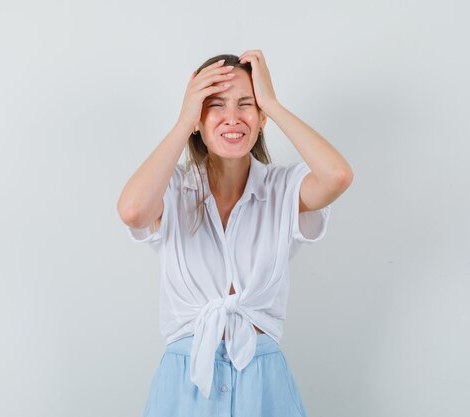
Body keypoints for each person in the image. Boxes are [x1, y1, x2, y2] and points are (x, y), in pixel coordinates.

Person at [117, 50, 353, 417]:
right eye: (215, 105)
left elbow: (337, 176)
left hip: (264, 383)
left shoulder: (282, 187)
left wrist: (271, 103)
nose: (232, 118)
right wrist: (183, 122)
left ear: (261, 118)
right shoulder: (173, 186)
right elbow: (132, 211)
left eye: (246, 104)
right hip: (185, 384)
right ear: (198, 116)